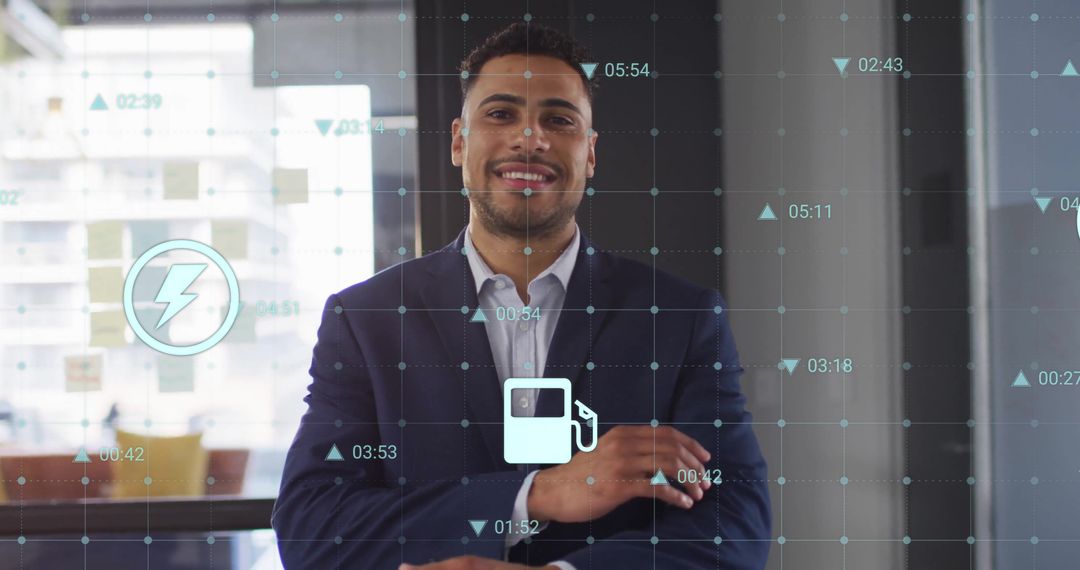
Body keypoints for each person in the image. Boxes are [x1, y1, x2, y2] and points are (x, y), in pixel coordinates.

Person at [272, 23, 771, 570]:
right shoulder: (366, 320)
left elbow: (735, 523)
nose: (530, 139)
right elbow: (311, 528)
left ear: (590, 152)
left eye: (559, 120)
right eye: (501, 114)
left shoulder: (680, 318)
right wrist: (537, 495)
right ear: (459, 141)